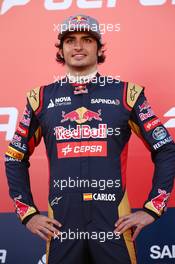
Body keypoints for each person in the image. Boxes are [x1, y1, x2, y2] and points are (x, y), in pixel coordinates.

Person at [5, 14, 175, 264]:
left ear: (99, 47)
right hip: (62, 226)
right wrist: (28, 214)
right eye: (70, 40)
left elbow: (166, 148)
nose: (78, 46)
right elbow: (14, 157)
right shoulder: (40, 99)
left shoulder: (127, 94)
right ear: (61, 49)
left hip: (113, 225)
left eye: (87, 39)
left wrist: (153, 208)